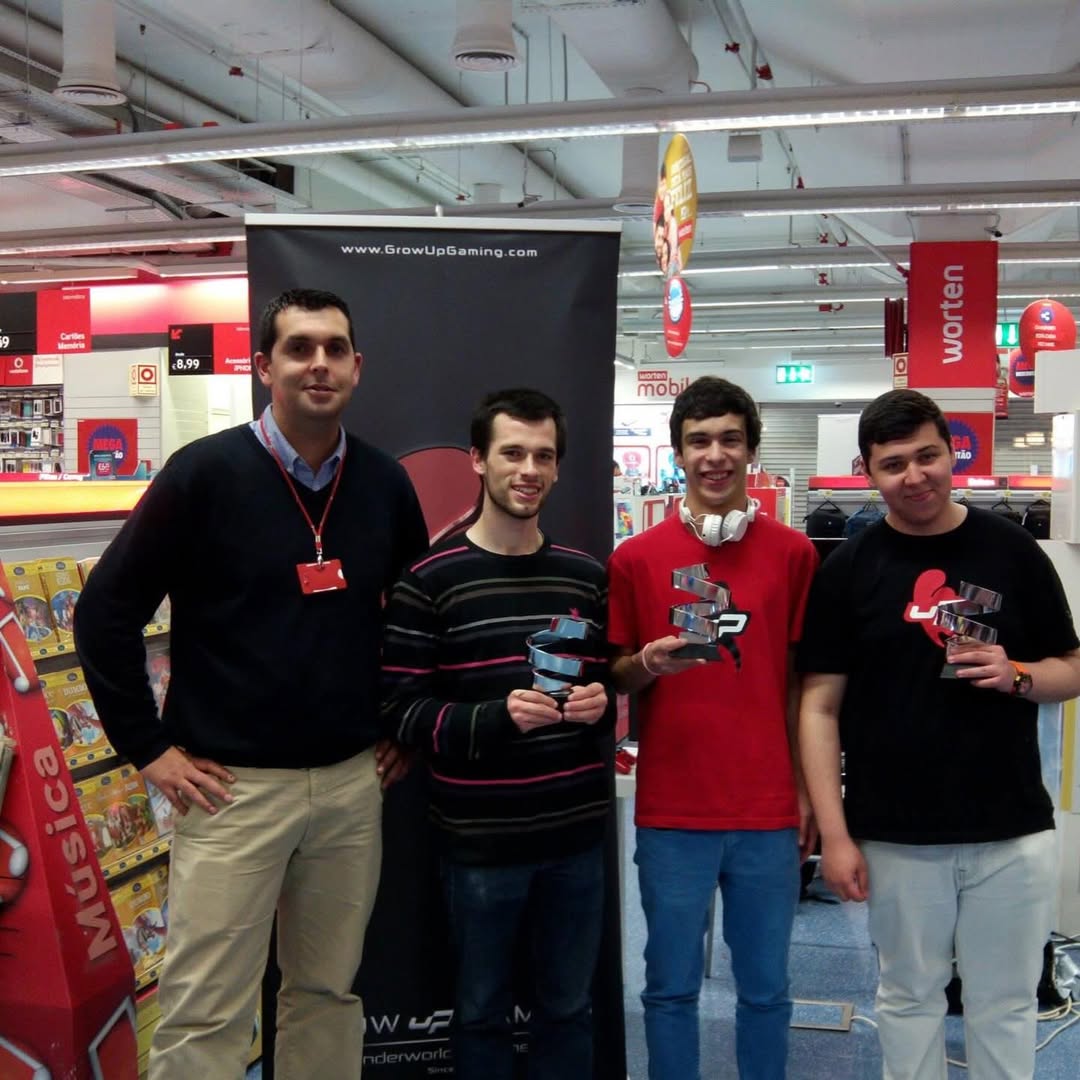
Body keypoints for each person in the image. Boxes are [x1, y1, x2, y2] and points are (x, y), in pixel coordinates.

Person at [74, 287, 429, 1080]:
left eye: (334, 349)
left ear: (357, 366)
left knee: (326, 994)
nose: (318, 364)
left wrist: (401, 725)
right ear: (264, 367)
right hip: (230, 791)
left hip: (349, 787)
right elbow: (103, 613)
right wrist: (148, 749)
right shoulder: (203, 475)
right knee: (207, 1010)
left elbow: (414, 619)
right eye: (299, 348)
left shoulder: (382, 483)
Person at [797, 388, 1080, 1080]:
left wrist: (1017, 674)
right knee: (906, 998)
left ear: (952, 454)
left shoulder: (1013, 551)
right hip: (895, 833)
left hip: (1010, 827)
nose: (914, 475)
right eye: (893, 464)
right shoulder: (849, 569)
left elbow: (1071, 668)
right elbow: (818, 708)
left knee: (1005, 1003)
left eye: (927, 456)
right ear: (868, 472)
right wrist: (834, 835)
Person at [380, 388, 611, 1080]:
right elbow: (400, 711)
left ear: (558, 467)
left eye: (543, 455)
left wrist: (602, 702)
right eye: (513, 453)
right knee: (479, 1012)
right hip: (479, 846)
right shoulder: (429, 580)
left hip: (576, 840)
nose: (528, 470)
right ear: (478, 460)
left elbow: (604, 685)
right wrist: (494, 718)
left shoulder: (585, 577)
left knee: (569, 1009)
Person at [607, 376, 819, 1080]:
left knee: (766, 992)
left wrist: (807, 792)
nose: (715, 455)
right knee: (669, 988)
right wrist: (646, 662)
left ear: (752, 450)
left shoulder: (795, 554)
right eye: (699, 441)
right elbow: (615, 675)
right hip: (673, 810)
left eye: (730, 439)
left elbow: (801, 687)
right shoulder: (634, 559)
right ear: (678, 454)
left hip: (766, 811)